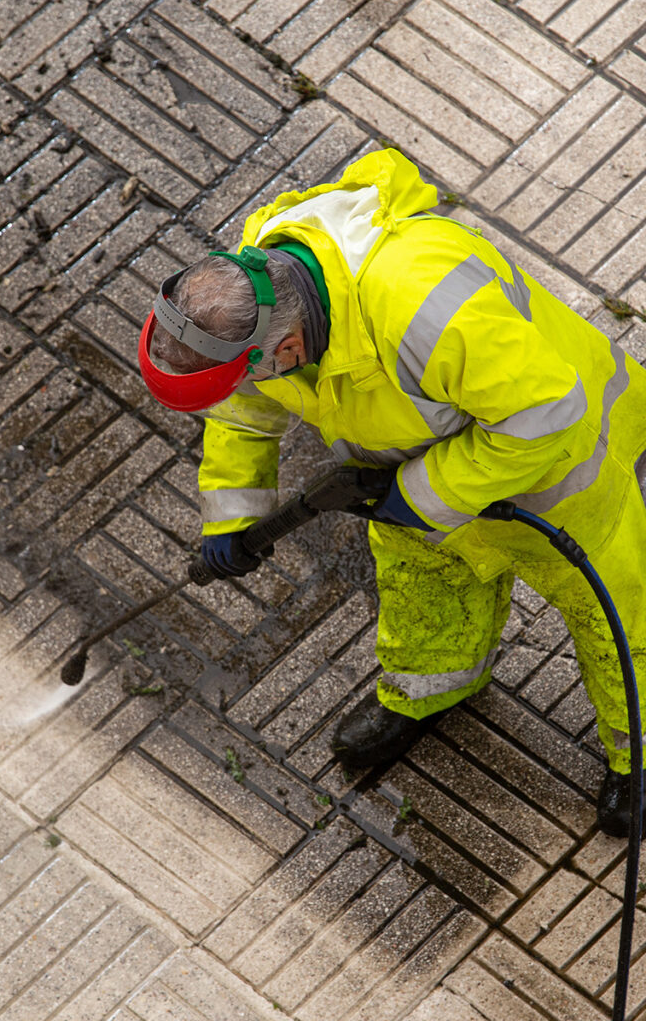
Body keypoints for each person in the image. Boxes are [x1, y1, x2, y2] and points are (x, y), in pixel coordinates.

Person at [138, 148, 646, 839]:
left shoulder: (424, 301)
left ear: (284, 351)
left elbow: (545, 414)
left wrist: (428, 493)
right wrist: (232, 509)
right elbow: (244, 407)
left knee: (617, 619)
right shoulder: (257, 295)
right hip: (408, 473)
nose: (245, 389)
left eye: (247, 375)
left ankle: (638, 755)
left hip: (561, 472)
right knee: (423, 589)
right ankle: (433, 691)